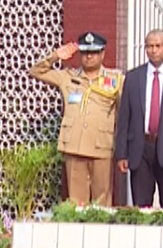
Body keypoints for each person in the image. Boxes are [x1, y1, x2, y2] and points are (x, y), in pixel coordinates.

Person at [30, 32, 123, 205]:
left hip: (101, 146)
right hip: (75, 146)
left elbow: (128, 107)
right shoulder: (68, 77)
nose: (89, 57)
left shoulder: (115, 79)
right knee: (75, 203)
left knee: (102, 202)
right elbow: (36, 71)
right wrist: (55, 56)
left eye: (94, 52)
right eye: (85, 52)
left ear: (102, 54)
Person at [114, 29, 163, 208]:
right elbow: (124, 116)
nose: (154, 50)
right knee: (141, 206)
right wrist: (121, 153)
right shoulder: (133, 77)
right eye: (150, 46)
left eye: (158, 46)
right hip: (140, 148)